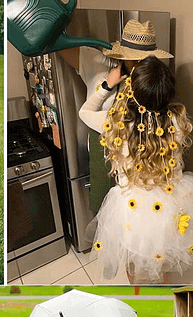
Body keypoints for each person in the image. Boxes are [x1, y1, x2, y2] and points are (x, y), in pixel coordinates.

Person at [80, 55, 193, 283]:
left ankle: (138, 293)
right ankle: (163, 290)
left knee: (133, 259)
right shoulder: (177, 122)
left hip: (131, 210)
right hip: (172, 205)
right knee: (165, 255)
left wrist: (108, 84)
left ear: (131, 93)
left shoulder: (115, 122)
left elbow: (84, 112)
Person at [60, 20, 173, 212]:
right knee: (103, 213)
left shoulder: (152, 80)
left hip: (140, 169)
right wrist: (107, 84)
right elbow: (57, 43)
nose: (138, 64)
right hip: (103, 160)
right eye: (134, 58)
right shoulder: (97, 63)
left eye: (144, 59)